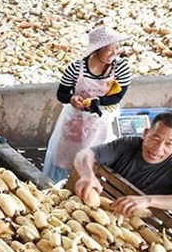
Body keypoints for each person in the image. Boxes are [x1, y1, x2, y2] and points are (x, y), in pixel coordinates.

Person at [43, 24, 132, 182]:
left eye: (117, 48)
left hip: (100, 122)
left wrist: (98, 101)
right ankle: (56, 185)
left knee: (94, 159)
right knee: (66, 157)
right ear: (97, 49)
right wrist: (72, 99)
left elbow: (117, 97)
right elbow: (61, 93)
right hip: (74, 121)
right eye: (109, 49)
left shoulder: (121, 68)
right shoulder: (76, 68)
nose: (114, 52)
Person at [73, 111, 172, 216]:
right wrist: (87, 175)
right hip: (100, 207)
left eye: (169, 144)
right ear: (146, 133)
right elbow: (84, 155)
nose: (158, 149)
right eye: (155, 138)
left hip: (136, 224)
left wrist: (147, 200)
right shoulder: (128, 144)